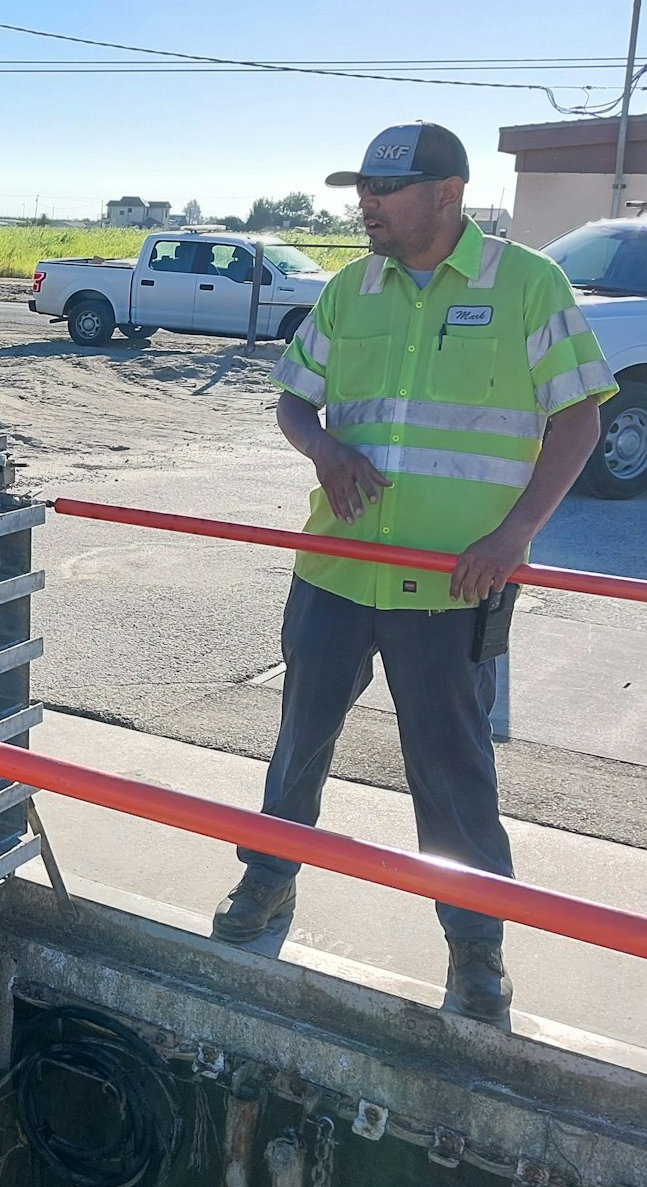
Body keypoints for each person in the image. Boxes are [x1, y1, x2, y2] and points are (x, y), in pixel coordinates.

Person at [211, 122, 614, 1021]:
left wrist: (514, 539)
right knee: (298, 744)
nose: (368, 205)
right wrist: (323, 450)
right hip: (336, 569)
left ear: (448, 192)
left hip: (451, 586)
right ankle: (268, 881)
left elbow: (580, 420)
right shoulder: (352, 290)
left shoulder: (526, 284)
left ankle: (477, 947)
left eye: (387, 190)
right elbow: (291, 398)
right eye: (363, 189)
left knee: (452, 771)